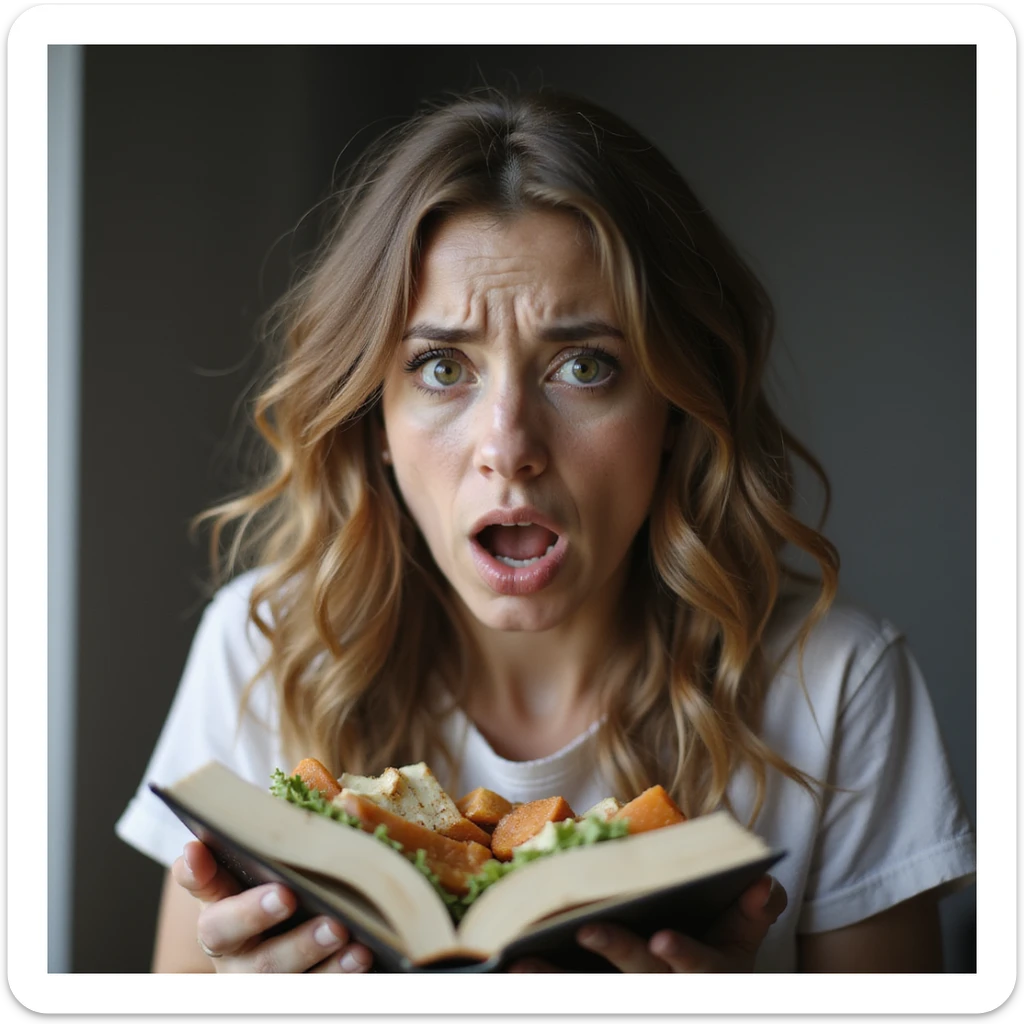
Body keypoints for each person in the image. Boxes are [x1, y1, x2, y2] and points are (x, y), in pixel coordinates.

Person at [115, 88, 976, 974]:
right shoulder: (260, 647)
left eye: (584, 366)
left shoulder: (835, 686)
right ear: (374, 418)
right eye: (443, 367)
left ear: (676, 408)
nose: (509, 448)